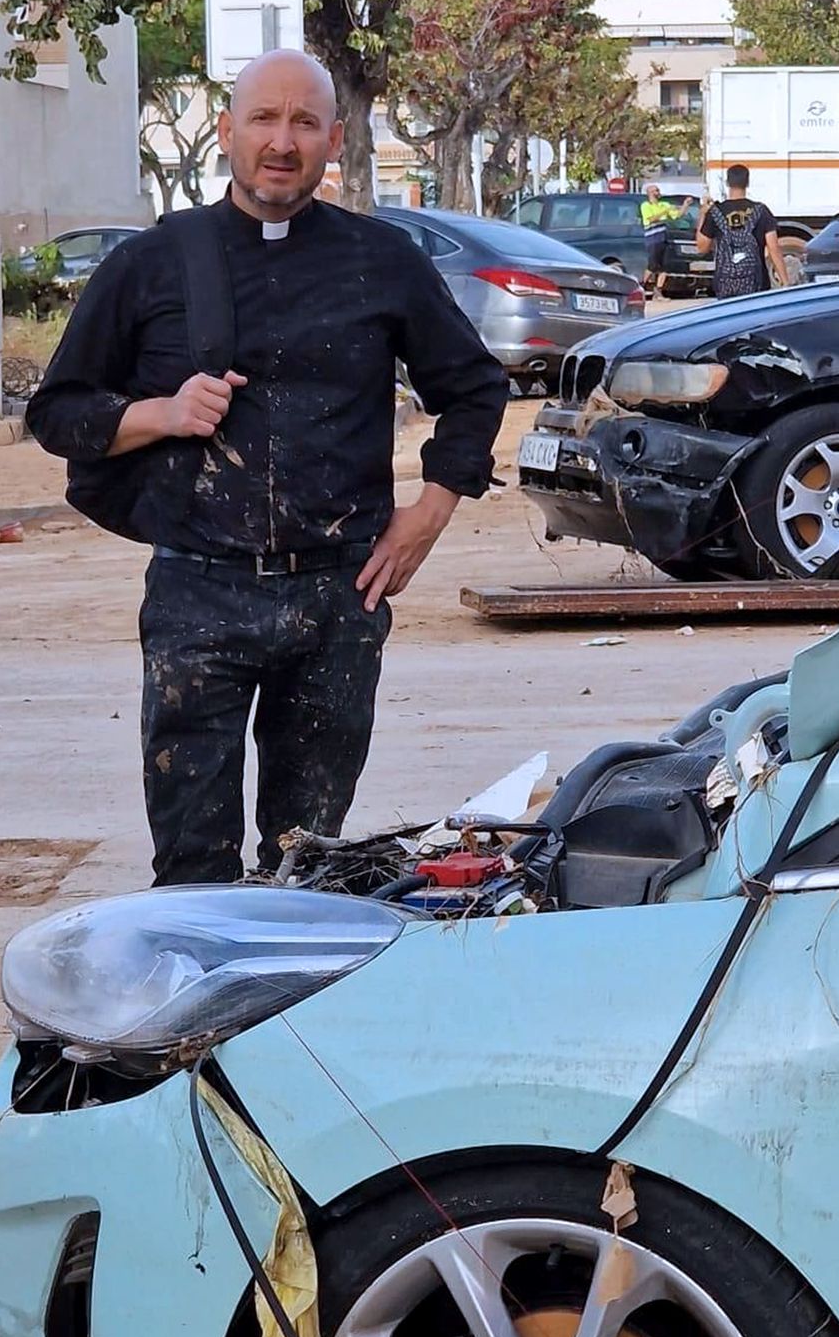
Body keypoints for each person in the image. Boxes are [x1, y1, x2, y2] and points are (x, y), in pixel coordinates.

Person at [26, 49, 509, 887]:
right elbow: (57, 412)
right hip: (197, 594)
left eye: (304, 123)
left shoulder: (382, 259)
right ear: (226, 132)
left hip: (337, 600)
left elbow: (474, 389)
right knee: (191, 872)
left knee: (305, 865)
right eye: (263, 119)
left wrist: (426, 517)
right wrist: (162, 414)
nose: (282, 142)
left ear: (334, 139)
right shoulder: (153, 263)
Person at [694, 165, 788, 299]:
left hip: (725, 285)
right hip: (756, 285)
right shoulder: (761, 211)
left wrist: (703, 214)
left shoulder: (715, 212)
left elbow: (702, 248)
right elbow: (774, 249)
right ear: (747, 183)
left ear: (727, 183)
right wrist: (785, 282)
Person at [639, 182, 680, 291]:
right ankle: (641, 286)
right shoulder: (645, 205)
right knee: (652, 266)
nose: (658, 192)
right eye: (656, 190)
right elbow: (651, 219)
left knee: (664, 267)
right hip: (653, 240)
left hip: (663, 239)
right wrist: (665, 211)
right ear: (650, 193)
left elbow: (676, 216)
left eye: (658, 190)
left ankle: (658, 291)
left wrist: (685, 205)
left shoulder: (664, 204)